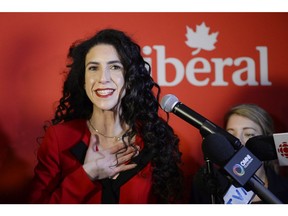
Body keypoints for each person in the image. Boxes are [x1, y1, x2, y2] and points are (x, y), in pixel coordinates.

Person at [29, 28, 183, 204]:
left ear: (129, 77)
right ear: (83, 79)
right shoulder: (59, 138)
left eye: (115, 67)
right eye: (93, 68)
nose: (103, 78)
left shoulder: (153, 138)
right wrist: (87, 174)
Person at [191, 103, 288, 204]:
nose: (238, 141)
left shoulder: (285, 189)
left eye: (249, 134)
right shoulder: (209, 186)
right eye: (230, 134)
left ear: (266, 139)